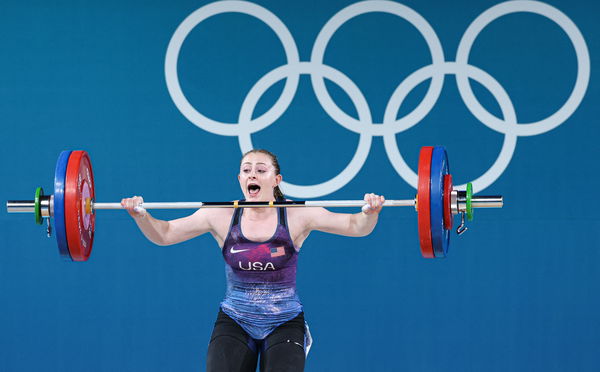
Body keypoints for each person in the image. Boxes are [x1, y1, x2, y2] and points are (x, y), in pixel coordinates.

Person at [121, 149, 385, 372]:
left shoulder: (297, 214)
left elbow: (355, 225)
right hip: (235, 319)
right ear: (239, 178)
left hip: (284, 320)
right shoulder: (219, 215)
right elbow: (165, 234)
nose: (252, 175)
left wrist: (370, 212)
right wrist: (141, 216)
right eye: (246, 170)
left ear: (276, 179)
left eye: (260, 170)